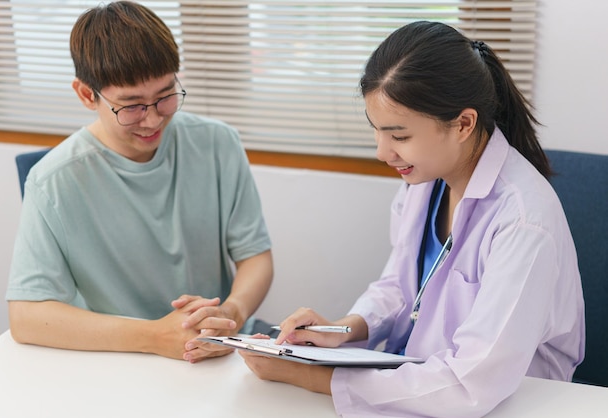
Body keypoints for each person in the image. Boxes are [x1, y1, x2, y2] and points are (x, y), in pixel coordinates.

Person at [239, 21, 585, 417]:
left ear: (463, 124)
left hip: (507, 402)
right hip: (416, 379)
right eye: (377, 132)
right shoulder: (426, 180)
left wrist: (311, 378)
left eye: (399, 136)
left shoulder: (524, 221)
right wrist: (342, 329)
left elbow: (471, 383)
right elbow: (401, 288)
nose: (383, 152)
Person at [6, 1, 273, 363]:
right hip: (124, 357)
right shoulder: (54, 181)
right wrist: (153, 336)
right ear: (87, 94)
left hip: (218, 347)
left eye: (165, 96)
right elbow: (26, 317)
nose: (152, 120)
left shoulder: (217, 143)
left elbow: (255, 256)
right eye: (131, 106)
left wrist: (231, 313)